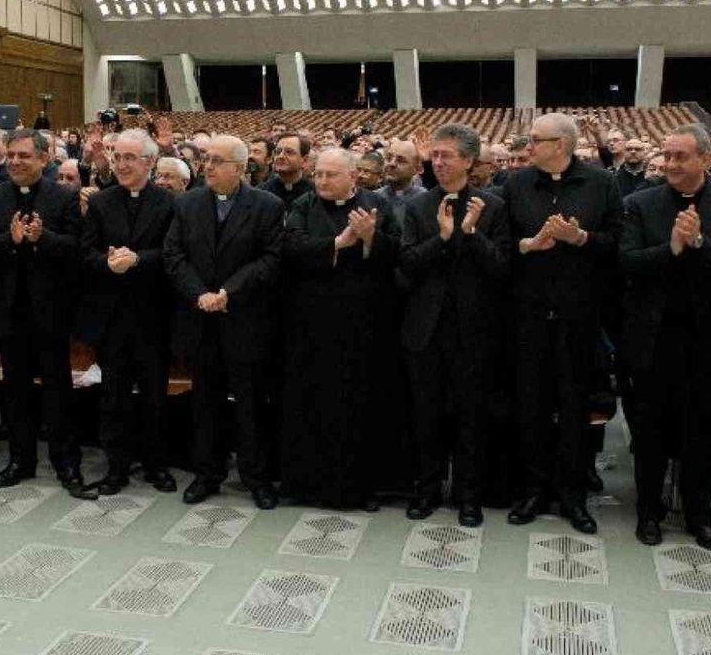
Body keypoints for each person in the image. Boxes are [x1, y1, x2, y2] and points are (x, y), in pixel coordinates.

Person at [620, 124, 711, 550]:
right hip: (654, 338)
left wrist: (698, 242)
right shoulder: (640, 203)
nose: (671, 164)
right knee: (650, 433)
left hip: (707, 340)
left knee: (701, 433)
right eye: (668, 155)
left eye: (681, 156)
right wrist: (672, 249)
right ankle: (648, 512)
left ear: (707, 159)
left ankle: (699, 516)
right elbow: (628, 262)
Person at [501, 112, 623, 535]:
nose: (528, 145)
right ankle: (533, 489)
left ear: (562, 145)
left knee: (574, 407)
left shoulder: (601, 184)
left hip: (579, 316)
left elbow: (617, 244)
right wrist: (529, 244)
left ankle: (573, 495)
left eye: (537, 139)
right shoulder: (516, 183)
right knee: (531, 405)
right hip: (528, 315)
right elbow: (501, 243)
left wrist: (581, 239)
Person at [398, 124, 511, 526]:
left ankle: (469, 497)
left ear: (468, 160)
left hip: (474, 330)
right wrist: (443, 240)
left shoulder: (493, 206)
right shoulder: (418, 206)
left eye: (447, 155)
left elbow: (502, 268)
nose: (438, 162)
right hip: (425, 329)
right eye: (435, 155)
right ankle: (427, 490)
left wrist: (471, 234)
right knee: (426, 415)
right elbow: (407, 265)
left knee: (470, 418)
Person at [163, 134, 284, 506]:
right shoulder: (186, 203)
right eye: (206, 159)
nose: (208, 166)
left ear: (241, 168)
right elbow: (174, 254)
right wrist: (199, 293)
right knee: (205, 400)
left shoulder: (267, 205)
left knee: (250, 403)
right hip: (200, 318)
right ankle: (207, 474)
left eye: (218, 160)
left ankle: (256, 478)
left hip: (244, 318)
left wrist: (228, 292)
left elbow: (271, 258)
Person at [0, 129, 91, 498]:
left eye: (24, 155)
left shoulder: (63, 197)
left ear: (43, 158)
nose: (16, 162)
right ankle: (20, 460)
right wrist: (11, 240)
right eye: (11, 156)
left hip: (50, 312)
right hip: (8, 311)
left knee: (58, 390)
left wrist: (43, 239)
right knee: (15, 391)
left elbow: (77, 249)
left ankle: (66, 462)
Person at [279, 148, 401, 510]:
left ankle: (358, 488)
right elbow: (290, 247)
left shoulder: (377, 205)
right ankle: (306, 485)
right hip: (311, 325)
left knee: (358, 405)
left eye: (331, 175)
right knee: (310, 403)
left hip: (362, 325)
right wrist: (337, 243)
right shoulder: (303, 204)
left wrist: (370, 238)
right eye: (318, 174)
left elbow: (398, 255)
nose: (322, 181)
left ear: (353, 176)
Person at [80, 129, 176, 494]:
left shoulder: (170, 203)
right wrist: (108, 264)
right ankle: (116, 468)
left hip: (154, 316)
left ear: (150, 162)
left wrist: (138, 259)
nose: (121, 164)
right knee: (114, 396)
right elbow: (85, 255)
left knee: (154, 395)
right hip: (113, 318)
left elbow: (173, 254)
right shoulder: (101, 203)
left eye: (129, 158)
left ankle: (156, 465)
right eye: (117, 157)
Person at [260, 131, 314, 207]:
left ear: (304, 160)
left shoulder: (315, 194)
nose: (281, 156)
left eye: (289, 152)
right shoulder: (261, 192)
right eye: (278, 152)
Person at [379, 138, 425, 205]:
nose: (392, 163)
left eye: (400, 161)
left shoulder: (426, 199)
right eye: (388, 158)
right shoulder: (373, 198)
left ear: (417, 169)